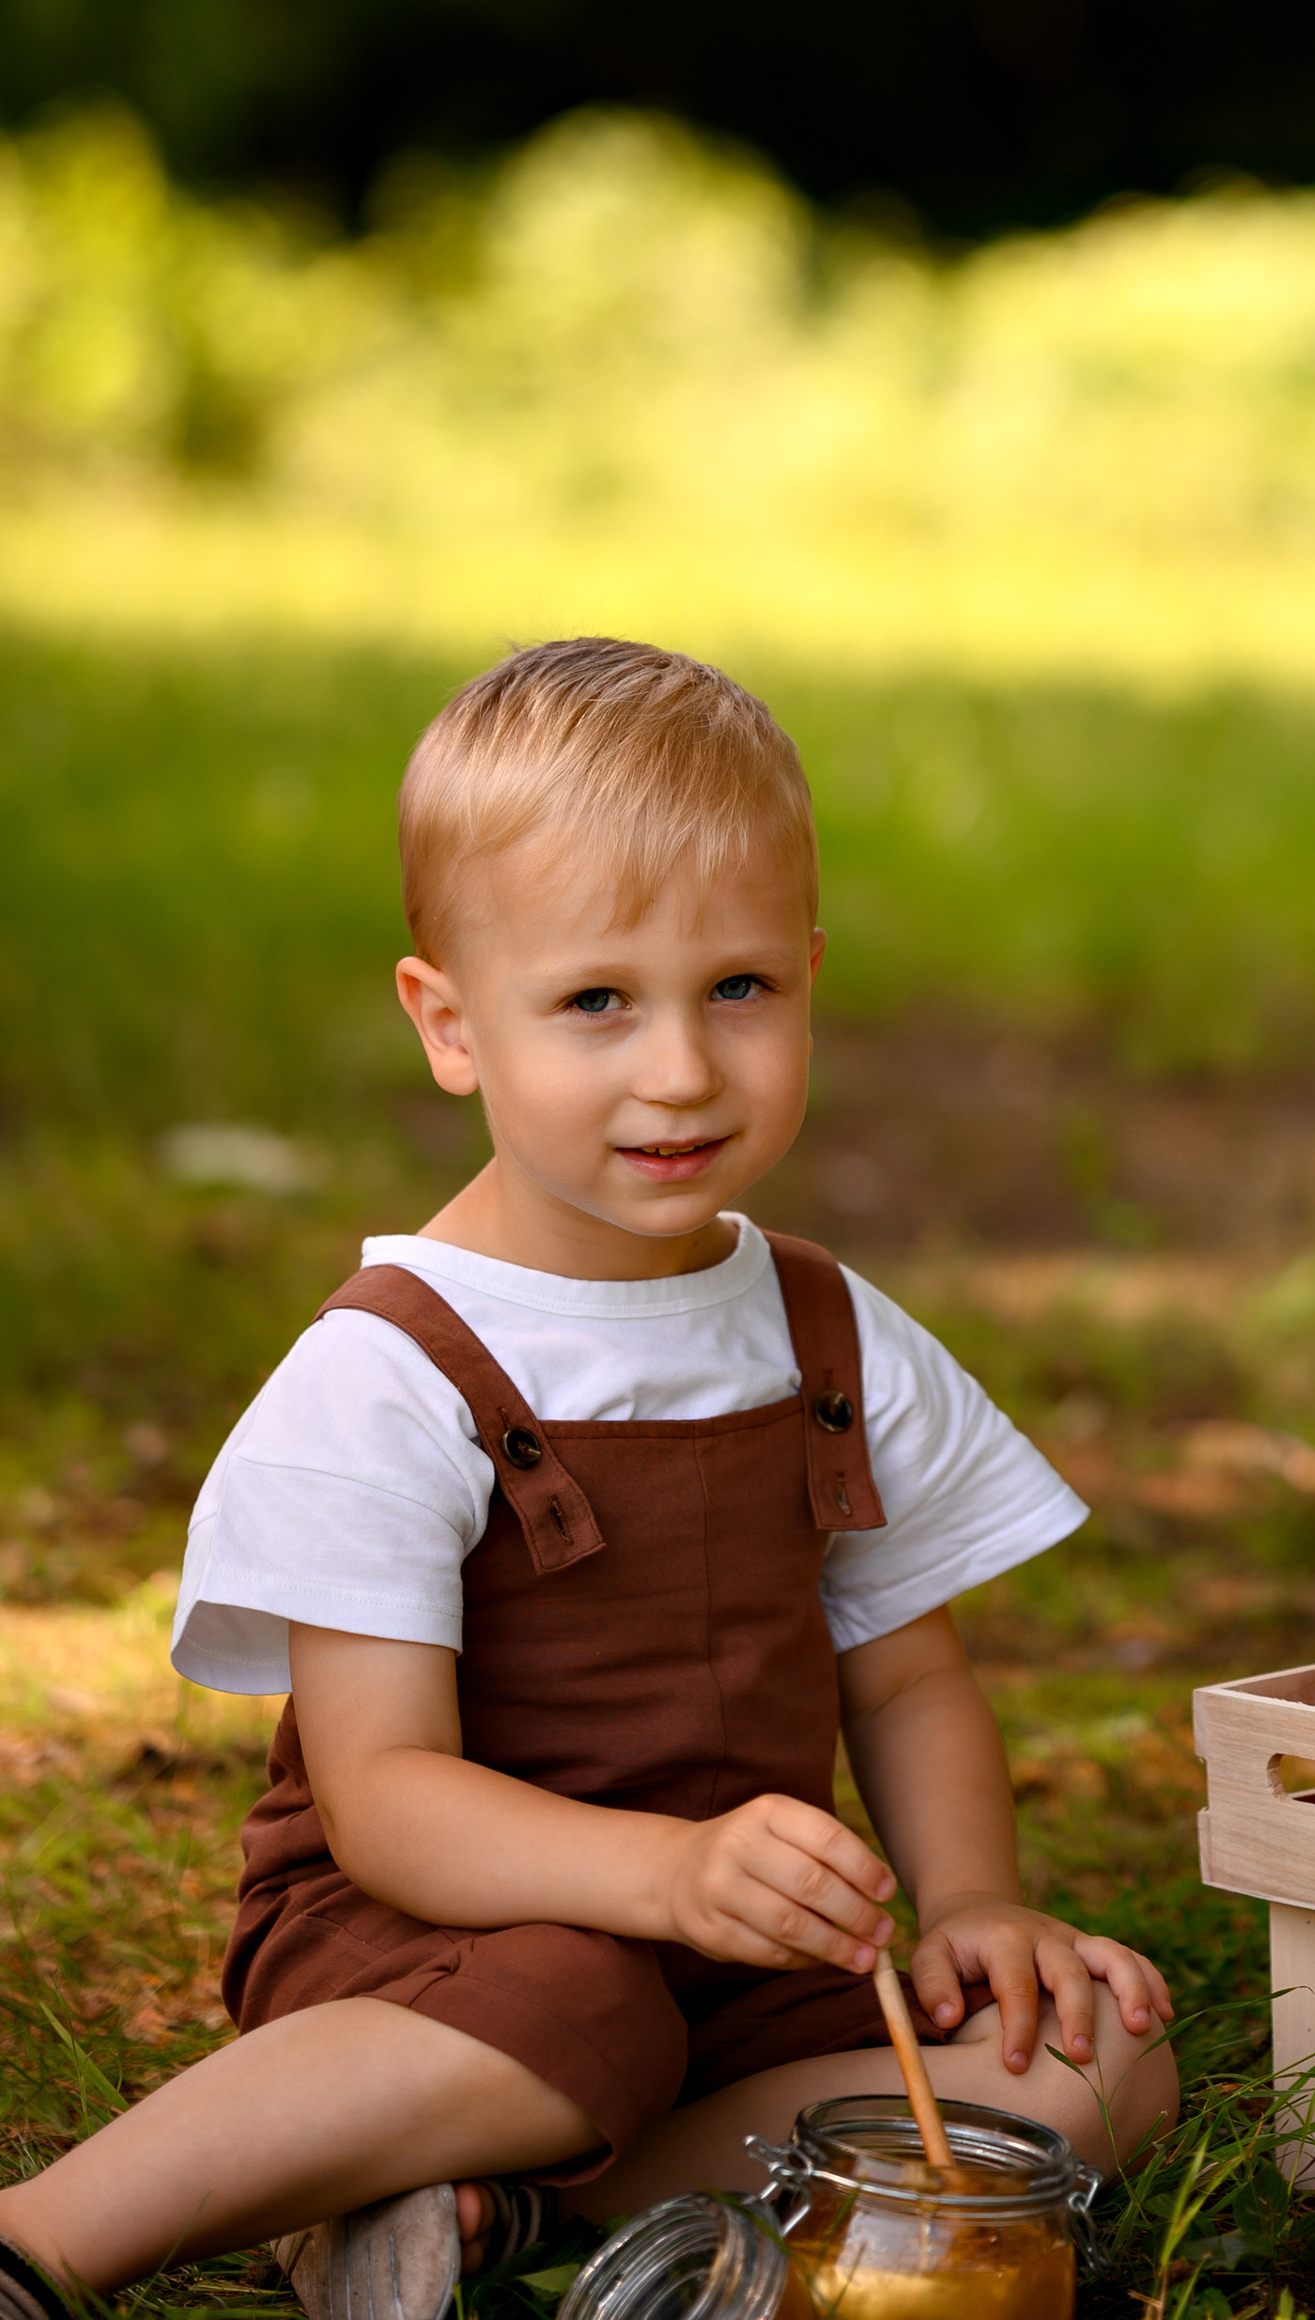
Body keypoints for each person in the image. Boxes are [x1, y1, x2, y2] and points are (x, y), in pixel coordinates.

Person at [0, 638, 1175, 2320]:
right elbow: (385, 1798)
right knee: (586, 2014)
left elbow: (905, 1672)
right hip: (436, 1945)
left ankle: (465, 2200)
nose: (683, 1069)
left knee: (1091, 2071)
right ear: (452, 1025)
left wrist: (977, 1902)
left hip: (742, 1956)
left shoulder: (823, 1329)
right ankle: (45, 2237)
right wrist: (660, 1879)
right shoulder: (395, 1369)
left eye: (743, 990)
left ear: (814, 976)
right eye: (597, 1001)